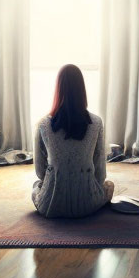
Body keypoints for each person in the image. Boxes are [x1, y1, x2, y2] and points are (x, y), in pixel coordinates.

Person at [32, 64, 114, 218]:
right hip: (87, 205)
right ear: (82, 90)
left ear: (58, 89)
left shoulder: (42, 124)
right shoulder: (96, 123)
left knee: (36, 187)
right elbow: (100, 172)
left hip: (51, 206)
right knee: (109, 186)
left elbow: (40, 171)